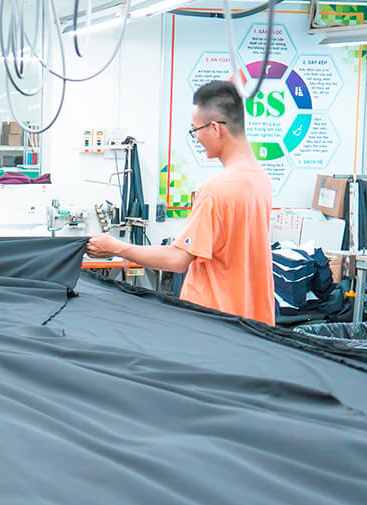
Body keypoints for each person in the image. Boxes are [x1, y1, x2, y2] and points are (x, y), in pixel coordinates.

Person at [86, 79, 276, 325]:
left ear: (215, 128)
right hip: (250, 321)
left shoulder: (216, 191)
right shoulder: (260, 180)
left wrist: (116, 247)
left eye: (195, 130)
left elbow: (177, 260)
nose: (196, 138)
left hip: (213, 322)